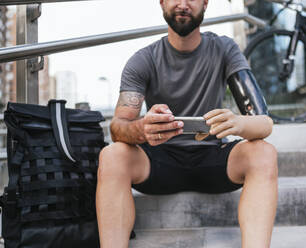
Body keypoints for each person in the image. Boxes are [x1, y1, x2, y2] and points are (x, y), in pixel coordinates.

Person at [96, 0, 278, 247]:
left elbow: (264, 123)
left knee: (264, 153)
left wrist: (237, 123)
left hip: (213, 159)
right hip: (159, 162)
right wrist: (140, 128)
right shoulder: (143, 60)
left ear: (205, 3)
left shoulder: (224, 48)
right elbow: (118, 128)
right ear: (161, 1)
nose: (183, 4)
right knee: (112, 155)